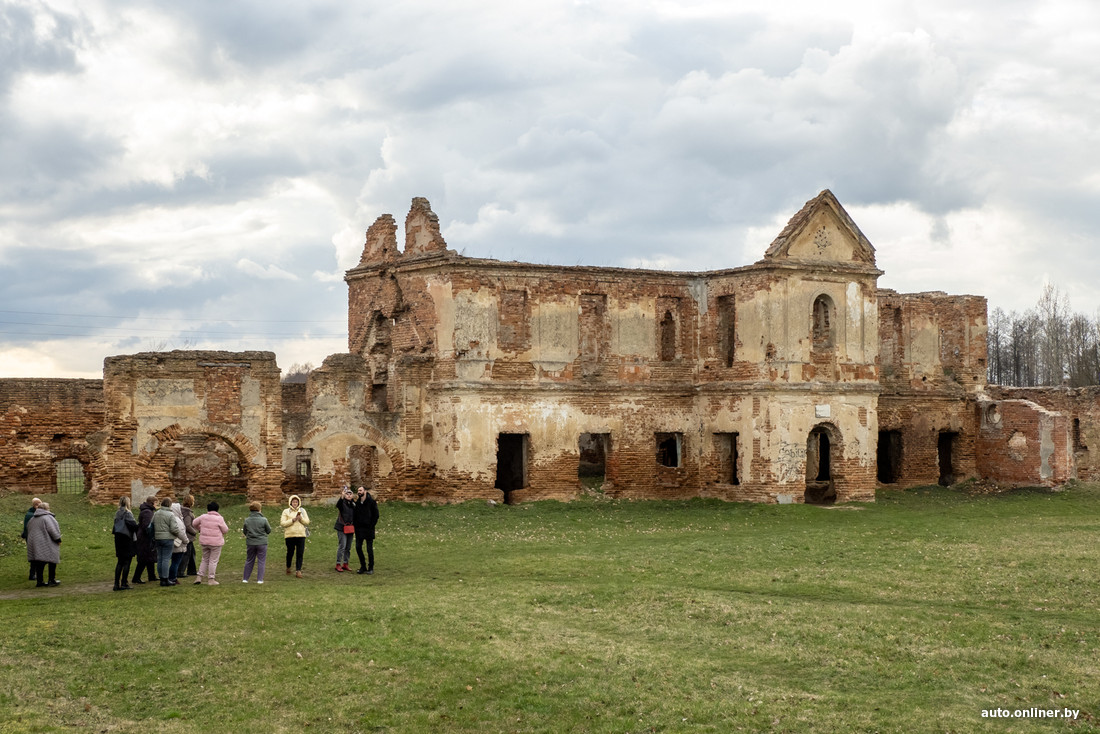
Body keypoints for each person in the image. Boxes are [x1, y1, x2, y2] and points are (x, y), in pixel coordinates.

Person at [192, 500, 230, 585]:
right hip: (216, 542)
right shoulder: (219, 518)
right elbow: (225, 530)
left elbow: (194, 523)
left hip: (204, 541)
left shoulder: (203, 517)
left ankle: (199, 577)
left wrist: (200, 528)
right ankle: (211, 579)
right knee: (213, 560)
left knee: (205, 559)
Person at [26, 501, 61, 587]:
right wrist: (58, 539)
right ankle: (51, 580)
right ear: (46, 509)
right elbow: (52, 530)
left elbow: (28, 529)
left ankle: (40, 581)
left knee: (39, 563)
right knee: (52, 561)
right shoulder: (48, 517)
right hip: (47, 542)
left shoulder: (32, 519)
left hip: (34, 543)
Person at [152, 497, 183, 587]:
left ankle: (161, 578)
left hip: (158, 538)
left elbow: (152, 524)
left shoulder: (156, 513)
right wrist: (176, 534)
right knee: (166, 559)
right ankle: (165, 578)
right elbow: (174, 528)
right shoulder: (170, 514)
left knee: (160, 558)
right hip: (168, 539)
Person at [112, 496, 139, 591]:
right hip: (127, 539)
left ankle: (116, 584)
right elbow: (133, 526)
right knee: (127, 561)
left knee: (120, 562)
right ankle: (124, 583)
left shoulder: (117, 513)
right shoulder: (128, 513)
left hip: (118, 539)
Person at [280, 494, 310, 578]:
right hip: (290, 535)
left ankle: (298, 570)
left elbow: (307, 522)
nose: (295, 503)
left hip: (301, 535)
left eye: (296, 502)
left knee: (300, 553)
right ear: (290, 502)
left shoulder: (302, 511)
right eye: (293, 502)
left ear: (299, 503)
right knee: (290, 552)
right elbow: (283, 523)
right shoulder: (286, 511)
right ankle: (288, 566)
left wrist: (301, 519)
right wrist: (292, 520)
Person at [242, 501, 272, 584]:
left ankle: (245, 579)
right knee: (261, 561)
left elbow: (245, 531)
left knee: (249, 560)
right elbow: (268, 530)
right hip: (262, 542)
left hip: (250, 543)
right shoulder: (264, 520)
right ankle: (260, 579)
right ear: (259, 509)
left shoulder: (247, 520)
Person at [131, 495, 158, 584]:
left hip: (144, 537)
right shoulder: (147, 512)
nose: (157, 505)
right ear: (152, 503)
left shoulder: (147, 511)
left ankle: (152, 576)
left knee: (149, 558)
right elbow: (147, 526)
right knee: (144, 559)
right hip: (145, 538)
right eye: (156, 503)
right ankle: (136, 577)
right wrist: (152, 534)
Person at [353, 486, 379, 575]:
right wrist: (356, 526)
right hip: (359, 530)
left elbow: (376, 515)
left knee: (369, 549)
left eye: (360, 490)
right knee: (358, 547)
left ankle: (370, 568)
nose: (359, 492)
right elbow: (355, 515)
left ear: (365, 491)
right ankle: (363, 566)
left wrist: (371, 526)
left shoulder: (371, 502)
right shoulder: (357, 503)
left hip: (368, 529)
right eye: (358, 490)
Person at [334, 487, 355, 572]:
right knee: (342, 546)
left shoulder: (353, 504)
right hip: (341, 527)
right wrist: (341, 497)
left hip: (350, 528)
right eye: (347, 494)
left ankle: (345, 563)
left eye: (350, 494)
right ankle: (338, 564)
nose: (349, 495)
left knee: (348, 547)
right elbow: (338, 505)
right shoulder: (342, 503)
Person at [168, 500, 189, 584]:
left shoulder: (169, 518)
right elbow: (180, 532)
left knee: (172, 561)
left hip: (171, 541)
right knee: (176, 562)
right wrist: (186, 540)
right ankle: (172, 577)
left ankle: (169, 576)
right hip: (178, 543)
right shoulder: (176, 519)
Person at [21, 497, 41, 582]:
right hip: (32, 538)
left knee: (36, 555)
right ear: (35, 505)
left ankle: (34, 573)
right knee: (35, 556)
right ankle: (32, 573)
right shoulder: (31, 515)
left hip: (31, 537)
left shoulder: (31, 514)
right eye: (39, 504)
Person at [180, 495, 198, 577]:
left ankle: (192, 570)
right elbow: (187, 525)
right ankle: (181, 572)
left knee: (191, 553)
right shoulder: (187, 513)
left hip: (185, 535)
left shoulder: (181, 511)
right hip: (188, 536)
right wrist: (194, 532)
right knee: (186, 554)